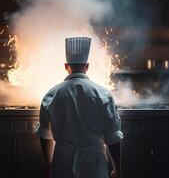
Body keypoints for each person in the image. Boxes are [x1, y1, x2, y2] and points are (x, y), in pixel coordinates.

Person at [35, 37, 123, 178]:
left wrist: (49, 164)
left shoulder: (51, 95)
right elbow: (113, 138)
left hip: (62, 164)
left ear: (66, 66)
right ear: (87, 66)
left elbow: (44, 135)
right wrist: (118, 170)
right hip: (94, 166)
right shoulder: (103, 94)